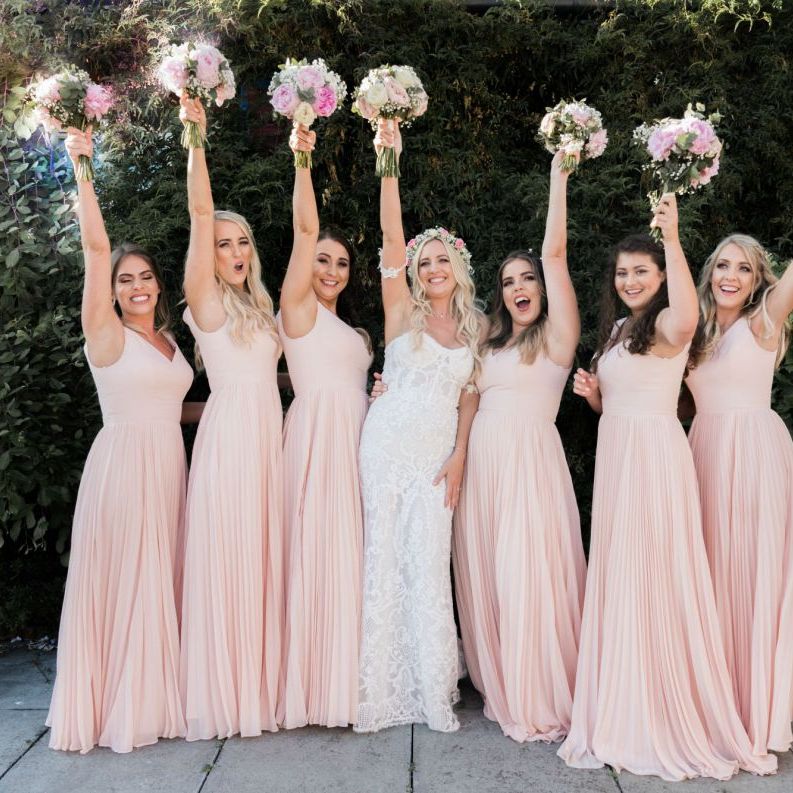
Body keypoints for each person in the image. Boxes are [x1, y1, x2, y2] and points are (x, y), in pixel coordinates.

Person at [559, 197, 777, 780]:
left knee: (656, 573)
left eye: (642, 271)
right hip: (618, 461)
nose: (630, 281)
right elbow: (623, 399)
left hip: (654, 459)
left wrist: (673, 238)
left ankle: (660, 706)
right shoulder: (618, 331)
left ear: (661, 278)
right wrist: (595, 396)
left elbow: (684, 317)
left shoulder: (668, 323)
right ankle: (625, 698)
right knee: (625, 573)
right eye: (622, 273)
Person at [47, 127, 193, 753]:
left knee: (161, 577)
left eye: (146, 277)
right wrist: (83, 167)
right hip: (125, 467)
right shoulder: (105, 334)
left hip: (168, 465)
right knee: (133, 577)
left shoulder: (168, 340)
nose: (137, 286)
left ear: (158, 284)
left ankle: (156, 695)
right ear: (111, 290)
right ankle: (127, 706)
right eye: (126, 280)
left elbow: (172, 406)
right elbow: (96, 247)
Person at [452, 150, 585, 743]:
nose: (518, 288)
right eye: (508, 282)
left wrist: (558, 173)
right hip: (482, 471)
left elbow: (555, 253)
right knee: (489, 574)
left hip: (531, 466)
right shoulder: (490, 343)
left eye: (526, 278)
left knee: (530, 574)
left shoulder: (557, 337)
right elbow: (457, 390)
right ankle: (503, 679)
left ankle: (540, 689)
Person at [355, 120, 484, 734]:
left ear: (458, 266)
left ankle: (431, 691)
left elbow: (471, 396)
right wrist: (389, 160)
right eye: (424, 261)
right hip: (385, 446)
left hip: (436, 457)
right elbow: (389, 237)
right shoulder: (400, 312)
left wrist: (460, 453)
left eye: (442, 259)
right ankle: (377, 692)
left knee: (428, 563)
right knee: (383, 561)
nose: (433, 268)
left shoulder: (477, 327)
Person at [177, 96, 284, 741]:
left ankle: (260, 684)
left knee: (263, 558)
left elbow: (273, 376)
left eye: (243, 241)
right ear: (208, 255)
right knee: (232, 557)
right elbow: (198, 213)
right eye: (224, 244)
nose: (236, 251)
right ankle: (228, 693)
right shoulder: (206, 303)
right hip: (231, 441)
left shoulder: (260, 307)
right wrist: (195, 135)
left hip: (269, 441)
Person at [277, 125, 372, 728]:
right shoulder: (298, 309)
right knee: (316, 553)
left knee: (352, 556)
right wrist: (303, 158)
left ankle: (351, 677)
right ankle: (313, 683)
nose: (332, 270)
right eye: (322, 260)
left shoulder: (353, 330)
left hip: (358, 442)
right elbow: (304, 229)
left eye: (341, 263)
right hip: (316, 442)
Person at [686, 234, 793, 754]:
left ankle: (757, 709)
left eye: (744, 269)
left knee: (752, 573)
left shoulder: (764, 321)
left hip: (754, 454)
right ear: (710, 272)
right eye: (724, 265)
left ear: (757, 281)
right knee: (709, 573)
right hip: (702, 451)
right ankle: (717, 702)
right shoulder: (693, 331)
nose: (731, 276)